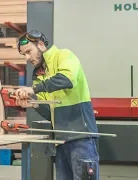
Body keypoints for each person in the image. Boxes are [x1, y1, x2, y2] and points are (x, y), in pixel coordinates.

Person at [14, 30, 100, 180]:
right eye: (24, 55)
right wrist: (33, 104)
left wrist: (33, 89)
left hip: (81, 137)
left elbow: (66, 79)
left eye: (29, 51)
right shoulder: (39, 73)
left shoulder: (64, 55)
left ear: (40, 44)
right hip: (60, 141)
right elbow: (50, 112)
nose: (27, 58)